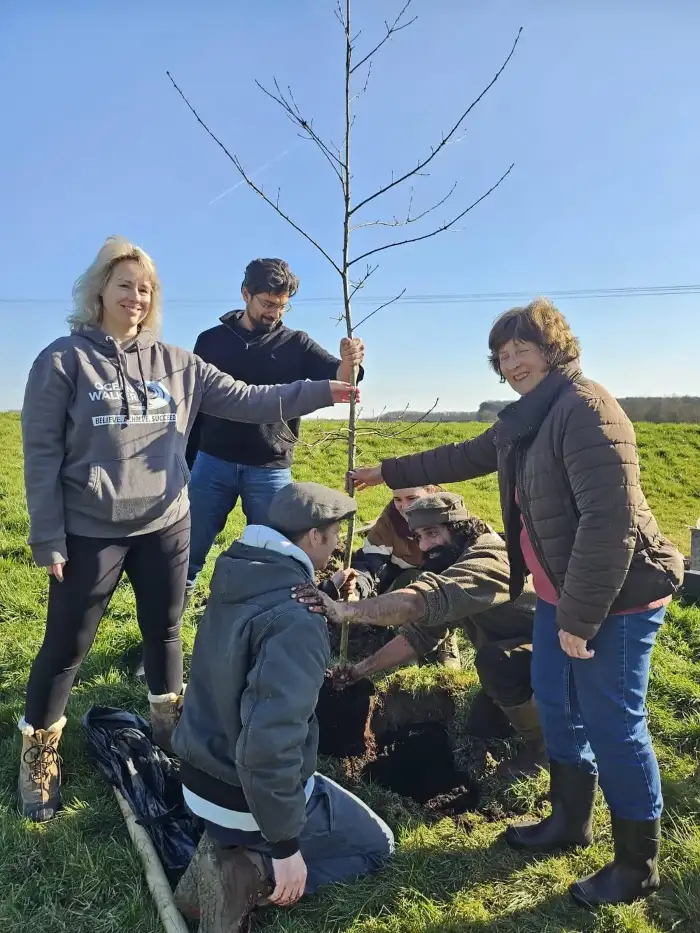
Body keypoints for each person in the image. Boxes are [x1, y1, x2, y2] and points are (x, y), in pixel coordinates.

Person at [348, 298, 684, 907]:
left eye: (522, 349)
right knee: (557, 706)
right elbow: (461, 455)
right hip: (561, 593)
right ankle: (568, 821)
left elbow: (611, 525)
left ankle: (638, 865)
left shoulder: (586, 410)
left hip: (618, 596)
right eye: (502, 355)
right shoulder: (524, 420)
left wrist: (580, 620)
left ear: (553, 348)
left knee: (615, 725)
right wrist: (386, 472)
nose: (511, 363)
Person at [18, 237, 356, 824]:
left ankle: (169, 726)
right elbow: (40, 454)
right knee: (67, 646)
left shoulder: (178, 362)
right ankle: (38, 753)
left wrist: (324, 389)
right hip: (90, 530)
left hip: (165, 522)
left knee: (165, 630)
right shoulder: (62, 360)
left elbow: (250, 400)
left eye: (145, 288)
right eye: (124, 284)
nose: (135, 296)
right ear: (99, 289)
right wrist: (48, 537)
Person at [171, 482, 394, 930]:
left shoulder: (238, 574)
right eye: (333, 536)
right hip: (242, 796)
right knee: (378, 845)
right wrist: (286, 847)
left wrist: (322, 585)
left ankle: (227, 852)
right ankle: (249, 874)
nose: (336, 546)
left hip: (196, 776)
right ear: (312, 536)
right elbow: (269, 744)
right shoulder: (297, 620)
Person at [294, 491, 546, 780]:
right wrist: (358, 671)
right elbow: (418, 638)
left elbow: (417, 602)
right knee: (481, 724)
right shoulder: (453, 561)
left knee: (496, 663)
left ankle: (545, 748)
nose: (425, 546)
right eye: (419, 537)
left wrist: (343, 610)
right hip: (523, 653)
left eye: (432, 533)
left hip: (562, 657)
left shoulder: (487, 560)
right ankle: (527, 706)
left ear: (459, 528)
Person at [184, 257, 365, 599]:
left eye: (282, 307)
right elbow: (194, 407)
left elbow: (343, 383)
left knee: (274, 554)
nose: (273, 314)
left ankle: (262, 613)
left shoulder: (296, 343)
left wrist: (349, 361)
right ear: (245, 294)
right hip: (211, 462)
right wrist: (186, 461)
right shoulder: (210, 342)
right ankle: (170, 623)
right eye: (267, 304)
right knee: (188, 549)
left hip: (269, 466)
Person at [348, 485, 462, 669]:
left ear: (431, 491)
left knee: (449, 583)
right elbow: (369, 562)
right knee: (413, 578)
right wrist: (356, 588)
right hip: (402, 581)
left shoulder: (454, 517)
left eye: (412, 498)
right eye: (397, 500)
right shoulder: (389, 523)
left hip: (443, 583)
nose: (404, 507)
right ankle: (407, 638)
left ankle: (447, 636)